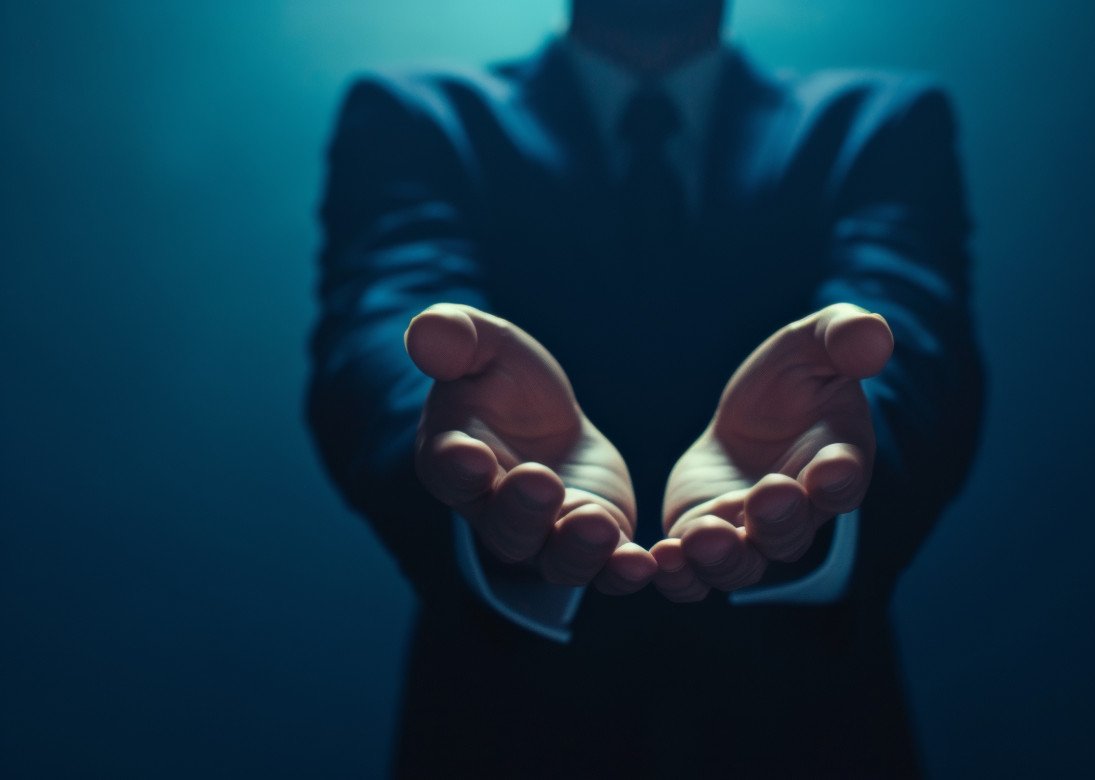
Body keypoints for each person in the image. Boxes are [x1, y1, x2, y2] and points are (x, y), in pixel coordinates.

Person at [307, 0, 983, 776]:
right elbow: (379, 329)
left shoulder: (882, 123)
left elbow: (914, 347)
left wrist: (823, 469)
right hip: (505, 733)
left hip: (807, 732)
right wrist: (471, 447)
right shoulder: (413, 117)